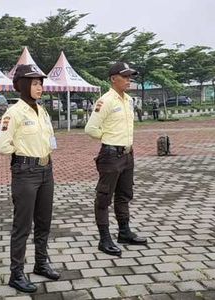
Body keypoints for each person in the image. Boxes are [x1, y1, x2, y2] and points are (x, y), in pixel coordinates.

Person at [0, 64, 59, 293]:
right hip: (25, 173)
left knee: (44, 222)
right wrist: (24, 153)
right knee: (22, 226)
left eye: (40, 83)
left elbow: (50, 138)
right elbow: (3, 146)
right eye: (34, 83)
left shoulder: (41, 110)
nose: (40, 87)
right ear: (22, 85)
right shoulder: (14, 113)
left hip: (46, 171)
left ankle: (41, 263)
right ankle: (16, 273)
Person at [85, 62, 148, 257]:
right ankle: (104, 239)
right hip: (111, 155)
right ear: (114, 79)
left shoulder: (128, 100)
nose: (129, 80)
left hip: (128, 153)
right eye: (126, 76)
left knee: (124, 195)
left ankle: (124, 232)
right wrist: (109, 138)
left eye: (130, 76)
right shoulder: (105, 101)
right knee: (104, 198)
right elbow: (91, 129)